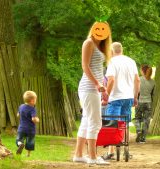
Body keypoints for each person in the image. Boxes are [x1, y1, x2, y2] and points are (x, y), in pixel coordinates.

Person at [73, 21, 112, 165]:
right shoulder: (88, 43)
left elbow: (98, 70)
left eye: (104, 29)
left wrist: (104, 89)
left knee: (86, 121)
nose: (101, 31)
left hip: (95, 88)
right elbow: (85, 65)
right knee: (95, 122)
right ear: (93, 29)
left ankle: (78, 155)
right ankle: (92, 157)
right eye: (98, 28)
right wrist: (97, 84)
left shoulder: (100, 47)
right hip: (88, 87)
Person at [102, 42, 140, 160]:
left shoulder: (112, 62)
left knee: (113, 124)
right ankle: (126, 150)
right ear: (121, 50)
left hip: (115, 97)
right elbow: (137, 80)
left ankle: (111, 152)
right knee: (124, 123)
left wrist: (106, 94)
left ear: (112, 51)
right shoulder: (131, 61)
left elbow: (111, 80)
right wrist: (135, 97)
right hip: (128, 97)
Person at [135, 65, 155, 143]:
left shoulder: (139, 80)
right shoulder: (153, 82)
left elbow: (136, 91)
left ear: (143, 71)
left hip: (140, 101)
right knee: (147, 120)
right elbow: (152, 94)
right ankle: (143, 138)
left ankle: (138, 130)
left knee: (137, 118)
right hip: (148, 102)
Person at [16, 91, 39, 157]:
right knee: (30, 142)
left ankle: (20, 144)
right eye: (35, 99)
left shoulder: (21, 106)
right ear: (32, 100)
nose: (35, 101)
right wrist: (37, 120)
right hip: (30, 129)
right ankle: (28, 154)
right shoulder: (32, 109)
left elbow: (18, 115)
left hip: (22, 128)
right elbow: (33, 119)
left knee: (19, 139)